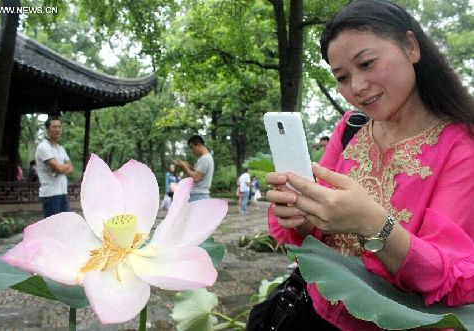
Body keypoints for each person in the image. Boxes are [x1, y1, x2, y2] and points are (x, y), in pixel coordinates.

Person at [265, 0, 474, 330]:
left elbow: (452, 276)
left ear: (411, 47)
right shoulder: (350, 127)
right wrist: (300, 215)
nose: (357, 88)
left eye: (367, 63)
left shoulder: (461, 147)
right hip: (314, 314)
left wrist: (373, 223)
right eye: (342, 77)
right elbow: (316, 237)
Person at [35, 116, 74, 218]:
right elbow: (59, 168)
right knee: (52, 230)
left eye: (59, 127)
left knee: (65, 225)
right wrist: (61, 168)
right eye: (54, 127)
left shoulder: (61, 148)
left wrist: (60, 168)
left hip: (62, 192)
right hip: (50, 194)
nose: (57, 129)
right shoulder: (43, 147)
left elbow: (71, 168)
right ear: (48, 129)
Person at [174, 135, 214, 202]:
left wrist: (185, 167)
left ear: (198, 145)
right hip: (199, 195)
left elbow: (196, 178)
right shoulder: (204, 158)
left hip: (198, 195)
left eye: (192, 148)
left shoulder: (205, 159)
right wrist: (189, 167)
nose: (192, 151)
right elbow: (198, 174)